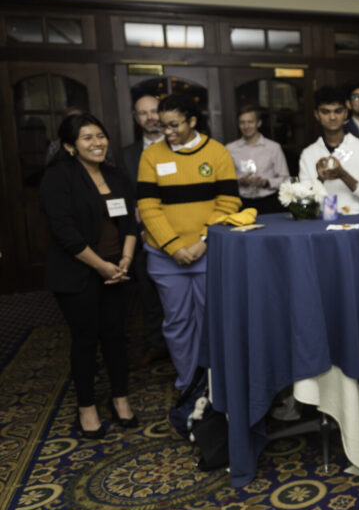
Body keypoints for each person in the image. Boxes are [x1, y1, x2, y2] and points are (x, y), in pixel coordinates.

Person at [41, 113, 139, 438]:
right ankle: (86, 405)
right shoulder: (57, 177)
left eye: (100, 135)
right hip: (77, 272)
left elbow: (129, 223)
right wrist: (101, 266)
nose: (97, 143)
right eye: (87, 137)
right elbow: (65, 233)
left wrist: (125, 259)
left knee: (115, 335)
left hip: (117, 268)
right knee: (85, 339)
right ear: (70, 145)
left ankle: (120, 398)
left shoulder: (115, 175)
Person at [137, 94, 241, 392]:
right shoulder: (152, 156)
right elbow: (149, 207)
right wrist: (174, 247)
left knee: (213, 322)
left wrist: (203, 241)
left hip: (208, 252)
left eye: (174, 125)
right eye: (162, 125)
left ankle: (216, 384)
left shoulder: (217, 152)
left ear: (192, 121)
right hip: (166, 258)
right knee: (178, 323)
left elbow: (228, 201)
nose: (167, 132)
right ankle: (188, 385)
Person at [118, 94, 168, 369]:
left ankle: (189, 345)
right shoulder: (127, 155)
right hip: (144, 236)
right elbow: (125, 196)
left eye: (154, 111)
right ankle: (157, 345)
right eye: (143, 113)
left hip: (181, 234)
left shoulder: (178, 147)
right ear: (136, 119)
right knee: (149, 295)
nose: (150, 117)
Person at [298, 87, 359, 214]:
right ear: (316, 114)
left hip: (356, 219)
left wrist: (343, 175)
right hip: (320, 222)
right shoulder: (308, 154)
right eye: (325, 112)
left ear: (346, 113)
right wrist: (320, 180)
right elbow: (303, 201)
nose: (332, 117)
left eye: (338, 111)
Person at [226, 105, 290, 215]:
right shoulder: (230, 149)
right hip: (241, 203)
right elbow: (225, 181)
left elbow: (286, 179)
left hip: (269, 203)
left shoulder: (273, 147)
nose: (246, 126)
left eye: (250, 122)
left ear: (258, 123)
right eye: (242, 122)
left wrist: (266, 182)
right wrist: (240, 181)